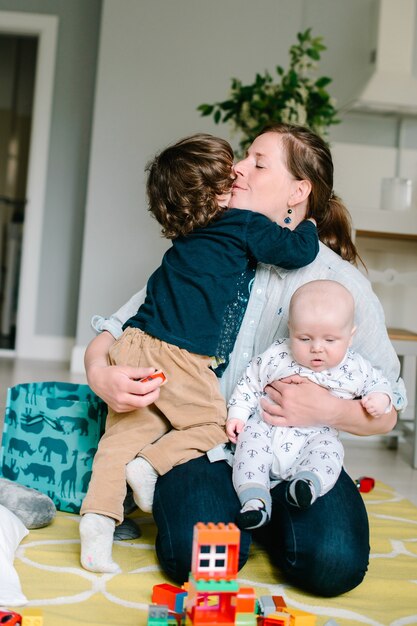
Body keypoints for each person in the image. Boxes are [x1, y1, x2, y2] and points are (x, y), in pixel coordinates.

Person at [83, 123, 406, 596]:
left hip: (295, 452)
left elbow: (390, 408)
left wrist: (328, 410)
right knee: (192, 558)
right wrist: (99, 373)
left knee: (333, 564)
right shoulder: (207, 246)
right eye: (242, 158)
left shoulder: (340, 284)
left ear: (299, 191)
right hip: (208, 444)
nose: (236, 169)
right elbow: (120, 327)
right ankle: (237, 519)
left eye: (257, 162)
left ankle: (270, 519)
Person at [79, 132, 319, 574]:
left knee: (120, 440)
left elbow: (132, 319)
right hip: (180, 356)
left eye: (255, 163)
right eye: (234, 170)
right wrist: (309, 226)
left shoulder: (188, 237)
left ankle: (97, 524)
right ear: (219, 192)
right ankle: (149, 467)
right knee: (213, 424)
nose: (241, 173)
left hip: (137, 342)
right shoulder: (243, 223)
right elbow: (294, 250)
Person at [227, 279, 393, 531]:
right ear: (291, 329)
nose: (317, 348)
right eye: (304, 338)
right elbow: (250, 380)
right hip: (267, 428)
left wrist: (380, 399)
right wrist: (238, 414)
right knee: (248, 445)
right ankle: (254, 501)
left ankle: (307, 484)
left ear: (350, 336)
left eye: (330, 340)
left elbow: (380, 385)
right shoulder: (278, 355)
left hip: (315, 435)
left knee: (330, 452)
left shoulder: (355, 367)